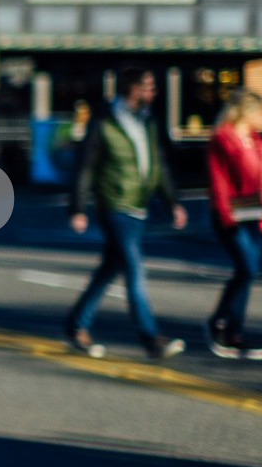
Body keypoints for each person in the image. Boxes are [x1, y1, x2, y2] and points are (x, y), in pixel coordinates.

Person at [66, 66, 188, 360]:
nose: (152, 92)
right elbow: (86, 166)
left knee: (109, 269)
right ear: (131, 88)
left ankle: (76, 324)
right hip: (115, 205)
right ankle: (151, 338)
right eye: (146, 86)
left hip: (139, 206)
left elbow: (159, 166)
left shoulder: (148, 121)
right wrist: (78, 208)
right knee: (134, 269)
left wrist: (173, 203)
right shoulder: (105, 120)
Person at [205, 90, 262, 360]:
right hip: (230, 216)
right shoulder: (222, 140)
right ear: (246, 112)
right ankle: (218, 322)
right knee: (246, 269)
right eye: (258, 112)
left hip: (254, 215)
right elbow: (219, 181)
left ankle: (234, 333)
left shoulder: (259, 143)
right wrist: (226, 217)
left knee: (247, 273)